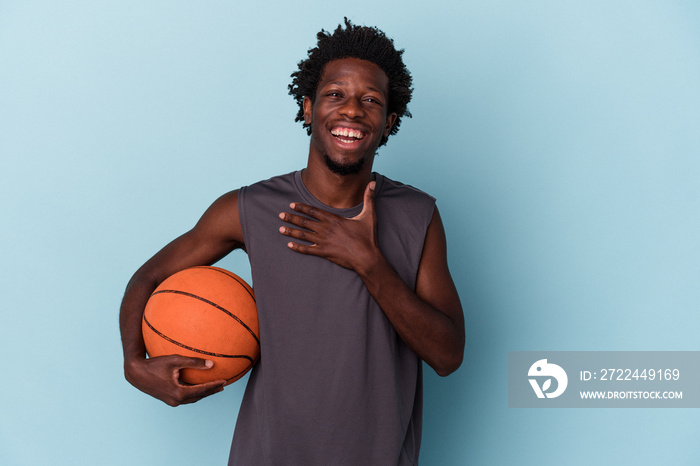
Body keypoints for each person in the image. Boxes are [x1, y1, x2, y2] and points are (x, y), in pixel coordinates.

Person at [120, 18, 464, 465]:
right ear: (307, 107)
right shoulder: (249, 209)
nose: (353, 110)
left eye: (371, 100)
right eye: (335, 94)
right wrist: (134, 363)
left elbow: (448, 354)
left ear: (388, 121)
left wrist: (369, 263)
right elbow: (148, 276)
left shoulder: (417, 215)